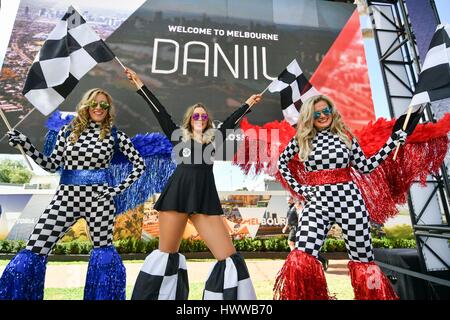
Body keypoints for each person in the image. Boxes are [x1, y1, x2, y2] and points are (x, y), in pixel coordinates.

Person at [125, 68, 261, 300]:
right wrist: (139, 85)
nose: (200, 118)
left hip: (204, 198)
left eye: (204, 116)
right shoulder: (178, 136)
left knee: (228, 256)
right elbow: (160, 112)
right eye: (196, 115)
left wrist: (248, 103)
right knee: (166, 254)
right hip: (176, 195)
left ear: (208, 121)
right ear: (190, 119)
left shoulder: (214, 139)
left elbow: (230, 122)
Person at [0, 88, 146, 300]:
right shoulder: (67, 132)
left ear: (109, 109)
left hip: (99, 201)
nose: (99, 108)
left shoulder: (116, 135)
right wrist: (26, 144)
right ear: (86, 105)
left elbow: (139, 165)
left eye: (104, 105)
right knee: (34, 248)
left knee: (104, 254)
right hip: (65, 199)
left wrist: (116, 190)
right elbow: (51, 165)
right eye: (94, 103)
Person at [274, 94, 406, 300]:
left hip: (350, 202)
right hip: (317, 204)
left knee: (364, 261)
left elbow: (366, 166)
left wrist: (391, 143)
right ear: (309, 116)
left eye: (325, 111)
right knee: (302, 256)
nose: (322, 115)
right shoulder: (302, 138)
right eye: (316, 112)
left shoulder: (346, 136)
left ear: (332, 112)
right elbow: (282, 163)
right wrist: (300, 189)